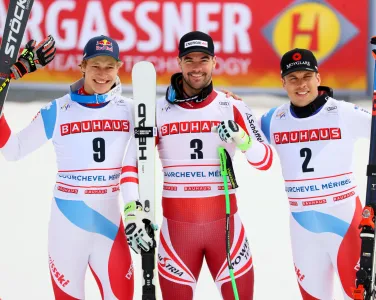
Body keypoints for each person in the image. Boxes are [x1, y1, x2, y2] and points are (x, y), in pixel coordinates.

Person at [121, 31, 273, 300]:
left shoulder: (232, 105)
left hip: (227, 233)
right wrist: (133, 207)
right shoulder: (157, 110)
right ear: (179, 63)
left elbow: (265, 160)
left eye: (203, 59)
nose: (196, 67)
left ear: (214, 62)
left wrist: (244, 140)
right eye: (189, 59)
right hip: (177, 235)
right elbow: (132, 163)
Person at [258, 42, 376, 299]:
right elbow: (243, 129)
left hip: (344, 220)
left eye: (307, 77)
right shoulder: (272, 119)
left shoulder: (341, 112)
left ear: (318, 78)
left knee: (356, 295)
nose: (301, 84)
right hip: (302, 228)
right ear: (283, 83)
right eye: (293, 78)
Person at [0, 35, 137, 299]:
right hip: (67, 229)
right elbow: (13, 150)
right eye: (95, 65)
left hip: (110, 227)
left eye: (109, 66)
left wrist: (226, 98)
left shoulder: (131, 110)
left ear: (118, 68)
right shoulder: (58, 109)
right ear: (82, 66)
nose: (102, 74)